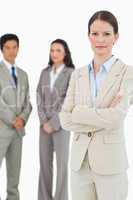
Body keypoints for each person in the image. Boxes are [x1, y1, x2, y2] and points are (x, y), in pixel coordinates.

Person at [60, 10, 133, 200]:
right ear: (88, 36)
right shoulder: (78, 74)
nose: (100, 39)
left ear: (116, 37)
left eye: (107, 34)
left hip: (110, 165)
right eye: (95, 33)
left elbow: (116, 117)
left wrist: (80, 113)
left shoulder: (127, 73)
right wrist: (102, 115)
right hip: (79, 165)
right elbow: (65, 119)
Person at [37, 39, 75, 200]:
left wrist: (54, 123)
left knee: (62, 166)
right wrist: (44, 121)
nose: (54, 53)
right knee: (44, 165)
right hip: (44, 126)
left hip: (61, 126)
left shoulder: (71, 73)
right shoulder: (45, 72)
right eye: (52, 50)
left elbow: (69, 100)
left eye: (58, 50)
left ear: (65, 53)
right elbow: (39, 96)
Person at [0, 33, 32, 200]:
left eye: (14, 47)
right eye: (7, 48)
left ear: (18, 49)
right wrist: (13, 119)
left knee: (14, 178)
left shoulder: (23, 74)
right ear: (2, 50)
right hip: (2, 130)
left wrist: (23, 119)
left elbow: (28, 102)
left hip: (17, 133)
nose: (11, 51)